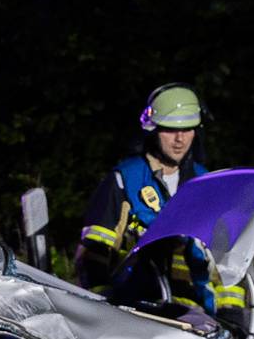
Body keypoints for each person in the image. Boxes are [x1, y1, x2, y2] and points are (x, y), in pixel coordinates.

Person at [76, 83, 242, 315]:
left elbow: (229, 260)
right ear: (152, 129)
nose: (179, 139)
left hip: (195, 315)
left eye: (187, 129)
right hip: (136, 309)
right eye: (170, 129)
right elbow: (94, 252)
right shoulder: (125, 179)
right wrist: (103, 305)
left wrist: (232, 314)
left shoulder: (208, 185)